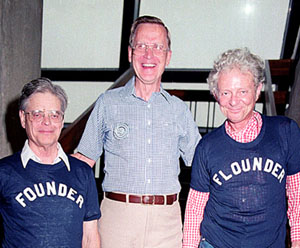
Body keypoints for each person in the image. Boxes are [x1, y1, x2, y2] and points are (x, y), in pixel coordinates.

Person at [74, 15, 200, 248]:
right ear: (130, 53)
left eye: (157, 47)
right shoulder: (107, 103)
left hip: (167, 223)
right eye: (141, 46)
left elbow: (204, 164)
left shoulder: (179, 109)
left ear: (168, 57)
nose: (149, 55)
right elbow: (82, 162)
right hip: (116, 219)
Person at [182, 48, 300, 248]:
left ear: (258, 90)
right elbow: (194, 209)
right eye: (226, 92)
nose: (234, 101)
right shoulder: (207, 147)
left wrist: (297, 241)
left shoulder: (285, 132)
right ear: (216, 95)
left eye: (242, 91)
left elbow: (297, 195)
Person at [0, 78, 101, 247]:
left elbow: (90, 237)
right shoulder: (4, 172)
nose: (47, 122)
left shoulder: (82, 172)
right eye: (37, 114)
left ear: (62, 121)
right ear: (23, 119)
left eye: (54, 115)